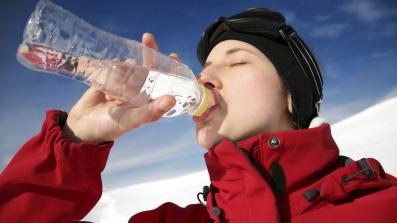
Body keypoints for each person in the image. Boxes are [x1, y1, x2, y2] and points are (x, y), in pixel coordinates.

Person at [1, 8, 397, 223]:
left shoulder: (382, 206)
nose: (204, 76)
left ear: (292, 97)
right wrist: (73, 142)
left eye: (237, 61)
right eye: (205, 66)